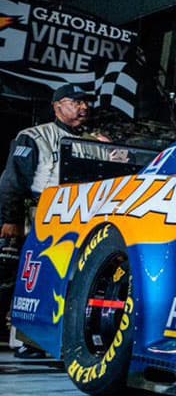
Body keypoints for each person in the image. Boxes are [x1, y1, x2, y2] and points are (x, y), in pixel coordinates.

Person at [0, 84, 107, 358]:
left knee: (56, 279)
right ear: (58, 106)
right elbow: (12, 180)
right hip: (37, 213)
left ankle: (38, 338)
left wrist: (111, 154)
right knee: (18, 275)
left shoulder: (94, 141)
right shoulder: (34, 135)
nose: (84, 107)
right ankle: (20, 337)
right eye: (77, 102)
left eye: (86, 102)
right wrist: (9, 218)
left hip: (77, 219)